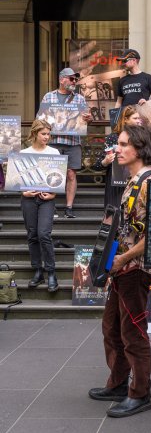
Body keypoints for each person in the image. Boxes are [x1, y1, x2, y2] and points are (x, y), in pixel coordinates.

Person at [88, 125, 151, 417]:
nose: (116, 149)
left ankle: (140, 392)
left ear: (139, 148)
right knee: (112, 328)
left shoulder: (149, 182)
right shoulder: (133, 180)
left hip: (135, 270)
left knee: (133, 333)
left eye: (122, 144)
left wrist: (123, 258)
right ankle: (118, 383)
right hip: (121, 268)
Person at [40, 67, 92, 218]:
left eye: (75, 79)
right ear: (61, 79)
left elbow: (86, 118)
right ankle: (51, 206)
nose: (74, 81)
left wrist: (88, 118)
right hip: (53, 141)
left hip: (73, 141)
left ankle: (69, 207)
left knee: (71, 174)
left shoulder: (80, 98)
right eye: (71, 78)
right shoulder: (48, 97)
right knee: (51, 173)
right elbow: (41, 119)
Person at [20, 120, 60, 292]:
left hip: (47, 200)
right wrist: (23, 192)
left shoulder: (54, 152)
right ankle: (38, 271)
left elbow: (59, 177)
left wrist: (53, 194)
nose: (47, 137)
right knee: (32, 235)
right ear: (35, 133)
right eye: (44, 134)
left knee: (44, 233)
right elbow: (19, 178)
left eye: (48, 134)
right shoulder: (24, 152)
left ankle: (51, 272)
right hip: (28, 199)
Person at [92, 105, 144, 209]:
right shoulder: (113, 137)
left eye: (139, 118)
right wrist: (106, 161)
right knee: (114, 216)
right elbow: (97, 165)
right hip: (116, 184)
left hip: (136, 181)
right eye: (135, 118)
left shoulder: (142, 137)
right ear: (125, 120)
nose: (138, 121)